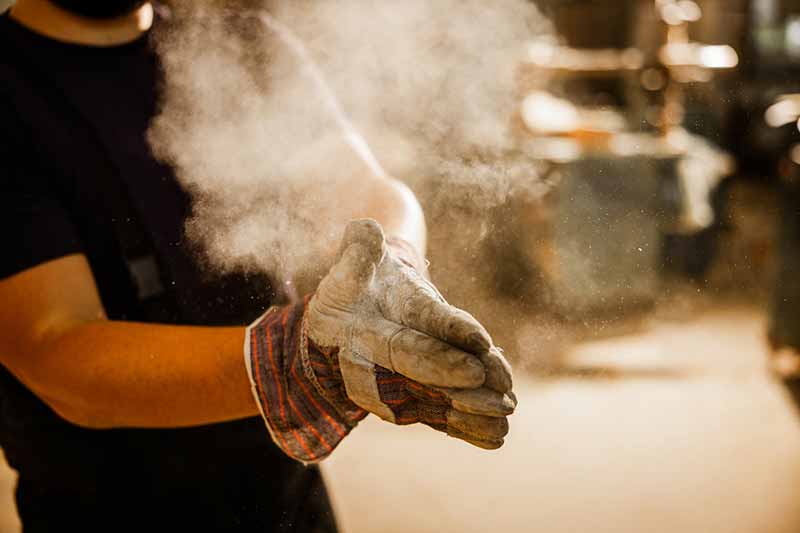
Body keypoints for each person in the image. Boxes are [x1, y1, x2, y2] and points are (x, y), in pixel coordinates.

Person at [0, 0, 515, 531]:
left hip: (288, 502)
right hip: (102, 510)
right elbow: (56, 346)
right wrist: (294, 361)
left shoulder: (243, 42)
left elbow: (364, 191)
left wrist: (394, 268)